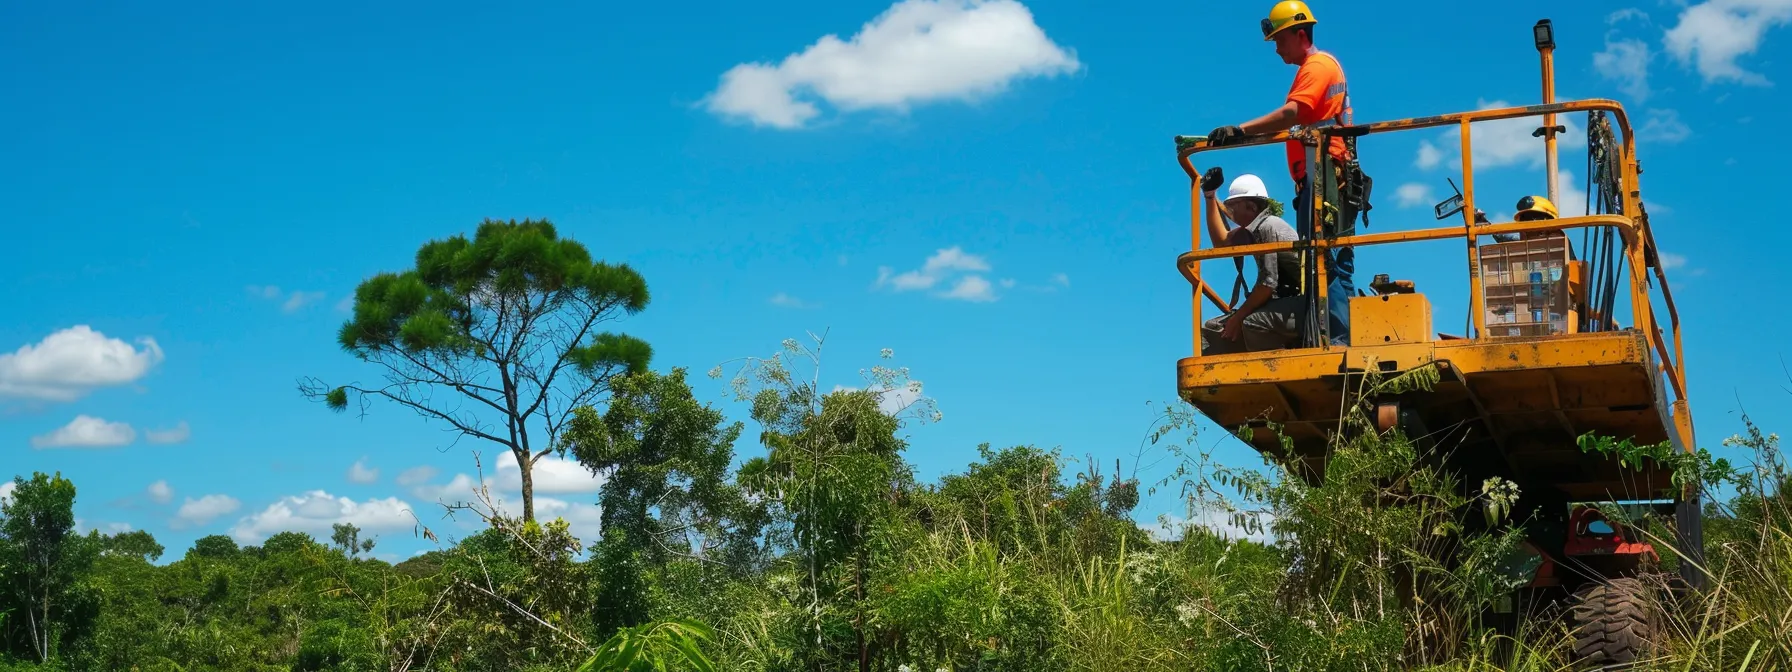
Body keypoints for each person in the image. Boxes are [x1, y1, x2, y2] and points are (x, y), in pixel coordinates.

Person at [1206, 1, 1356, 346]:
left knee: (1325, 262)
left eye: (1280, 40)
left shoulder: (1317, 66)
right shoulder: (1320, 66)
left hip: (1324, 179)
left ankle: (1335, 342)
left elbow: (1293, 113)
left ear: (1300, 34)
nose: (1276, 49)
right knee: (1333, 261)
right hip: (1327, 177)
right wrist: (1209, 196)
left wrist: (1240, 130)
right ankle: (1342, 338)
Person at [1200, 170, 1306, 355]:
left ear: (1251, 207)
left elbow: (1268, 283)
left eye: (1233, 206)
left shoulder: (1268, 226)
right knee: (1212, 328)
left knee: (1251, 322)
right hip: (1284, 302)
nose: (1230, 213)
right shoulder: (1253, 230)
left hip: (1303, 304)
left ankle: (1274, 369)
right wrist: (1210, 196)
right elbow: (1221, 242)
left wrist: (1239, 317)